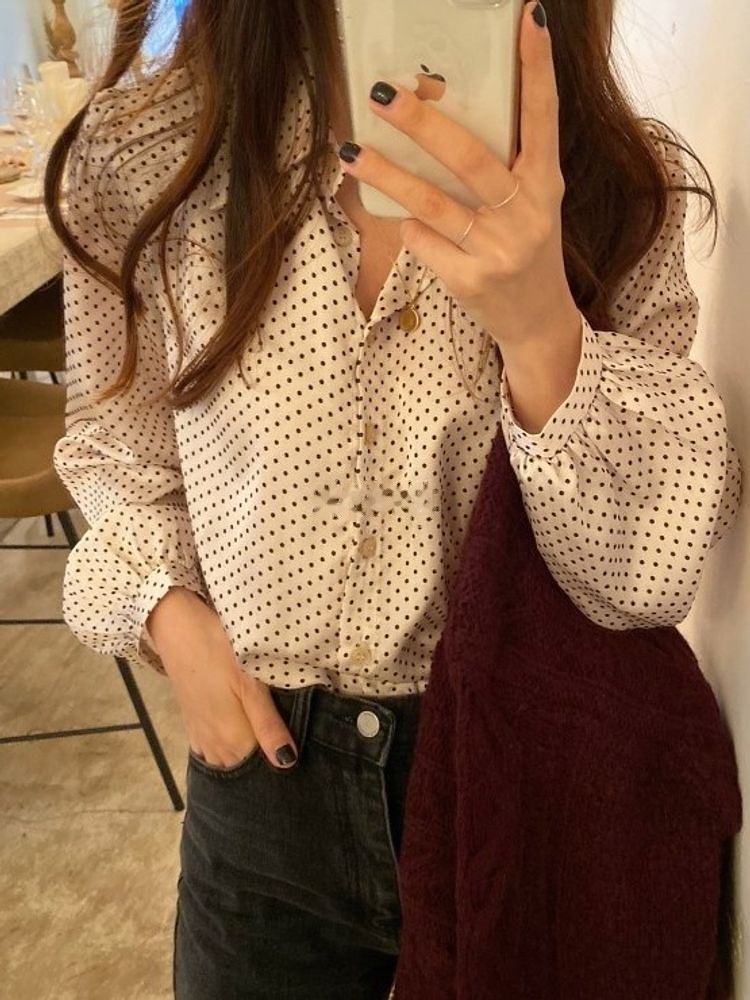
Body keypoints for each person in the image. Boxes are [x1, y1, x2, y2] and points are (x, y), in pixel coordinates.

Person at [43, 1, 742, 997]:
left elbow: (640, 579)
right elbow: (117, 451)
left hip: (511, 776)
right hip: (263, 782)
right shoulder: (153, 154)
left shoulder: (613, 180)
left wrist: (542, 329)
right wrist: (172, 621)